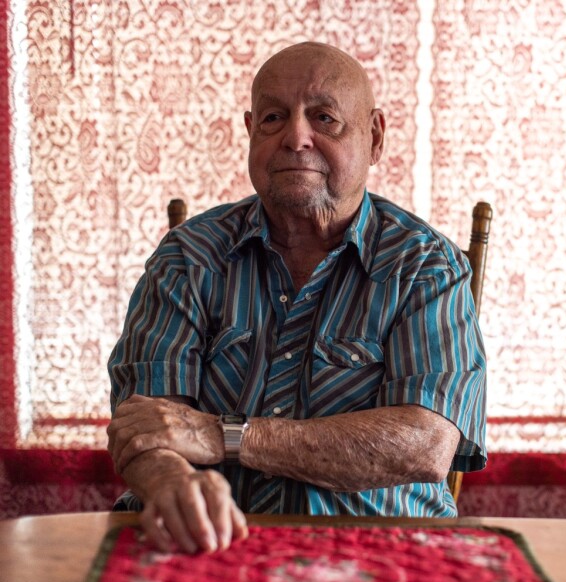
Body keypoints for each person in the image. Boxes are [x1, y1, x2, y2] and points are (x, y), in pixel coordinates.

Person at [106, 42, 487, 555]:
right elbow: (145, 424)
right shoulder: (188, 256)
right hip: (204, 548)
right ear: (249, 132)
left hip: (380, 553)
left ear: (374, 138)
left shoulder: (425, 266)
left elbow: (426, 443)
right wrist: (173, 481)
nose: (296, 137)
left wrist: (226, 437)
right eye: (272, 118)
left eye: (325, 118)